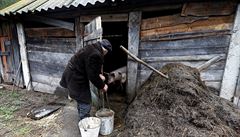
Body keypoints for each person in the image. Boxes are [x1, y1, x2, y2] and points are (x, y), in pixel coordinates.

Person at [60, 39, 112, 120]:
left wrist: (99, 74)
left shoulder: (92, 48)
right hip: (76, 78)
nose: (105, 55)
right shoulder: (96, 54)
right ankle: (85, 123)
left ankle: (82, 116)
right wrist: (102, 86)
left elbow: (90, 66)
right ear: (105, 50)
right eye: (106, 53)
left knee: (80, 99)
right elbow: (92, 76)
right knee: (85, 101)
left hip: (72, 74)